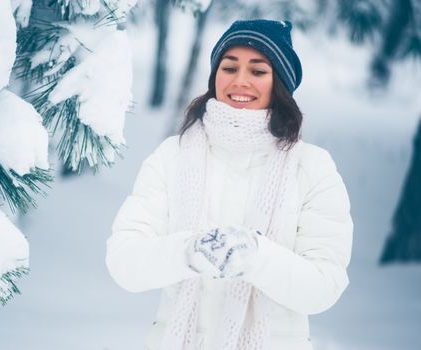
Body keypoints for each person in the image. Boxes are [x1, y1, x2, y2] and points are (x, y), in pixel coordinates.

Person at [106, 19, 353, 350]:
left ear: (279, 82)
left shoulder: (312, 167)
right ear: (214, 76)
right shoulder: (172, 156)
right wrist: (188, 252)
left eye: (258, 71)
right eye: (229, 67)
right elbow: (125, 262)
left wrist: (256, 257)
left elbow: (324, 286)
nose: (240, 81)